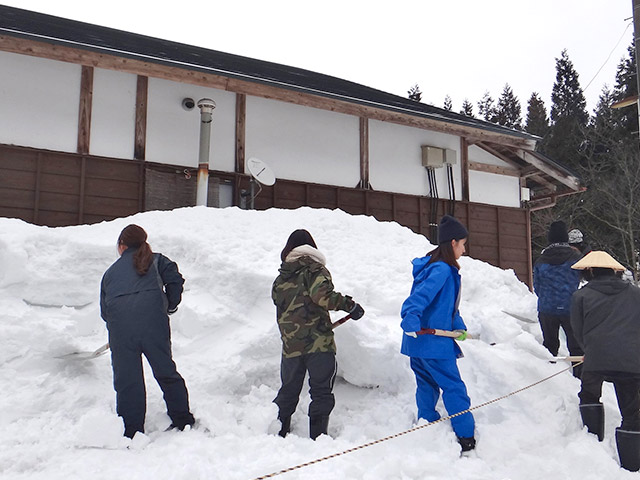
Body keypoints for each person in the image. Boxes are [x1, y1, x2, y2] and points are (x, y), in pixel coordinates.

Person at [100, 224, 195, 439]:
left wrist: (118, 329)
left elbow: (105, 311)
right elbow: (175, 281)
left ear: (121, 246)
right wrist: (169, 305)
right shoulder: (158, 260)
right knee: (166, 372)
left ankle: (132, 431)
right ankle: (182, 420)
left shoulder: (110, 273)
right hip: (154, 327)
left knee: (128, 380)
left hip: (121, 333)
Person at [271, 229, 364, 440]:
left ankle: (278, 432)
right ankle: (318, 437)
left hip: (291, 346)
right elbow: (322, 296)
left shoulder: (280, 279)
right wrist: (351, 306)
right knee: (321, 391)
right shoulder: (315, 269)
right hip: (319, 344)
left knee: (288, 390)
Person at [400, 215, 475, 453]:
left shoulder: (434, 267)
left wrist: (459, 327)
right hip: (433, 344)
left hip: (420, 343)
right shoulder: (442, 269)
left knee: (426, 385)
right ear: (452, 243)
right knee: (454, 388)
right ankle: (466, 437)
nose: (464, 249)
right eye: (463, 244)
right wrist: (410, 318)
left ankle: (427, 423)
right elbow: (419, 299)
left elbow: (447, 306)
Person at [570, 251, 640, 471]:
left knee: (589, 394)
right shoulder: (636, 294)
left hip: (596, 358)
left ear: (590, 271)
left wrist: (588, 349)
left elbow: (577, 330)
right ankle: (631, 465)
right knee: (632, 411)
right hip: (632, 360)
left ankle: (592, 442)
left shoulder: (581, 296)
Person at [533, 220, 583, 377]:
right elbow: (582, 277)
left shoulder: (541, 260)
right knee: (576, 348)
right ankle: (579, 379)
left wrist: (547, 298)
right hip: (571, 308)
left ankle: (549, 379)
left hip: (547, 309)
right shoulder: (576, 257)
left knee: (549, 346)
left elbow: (537, 286)